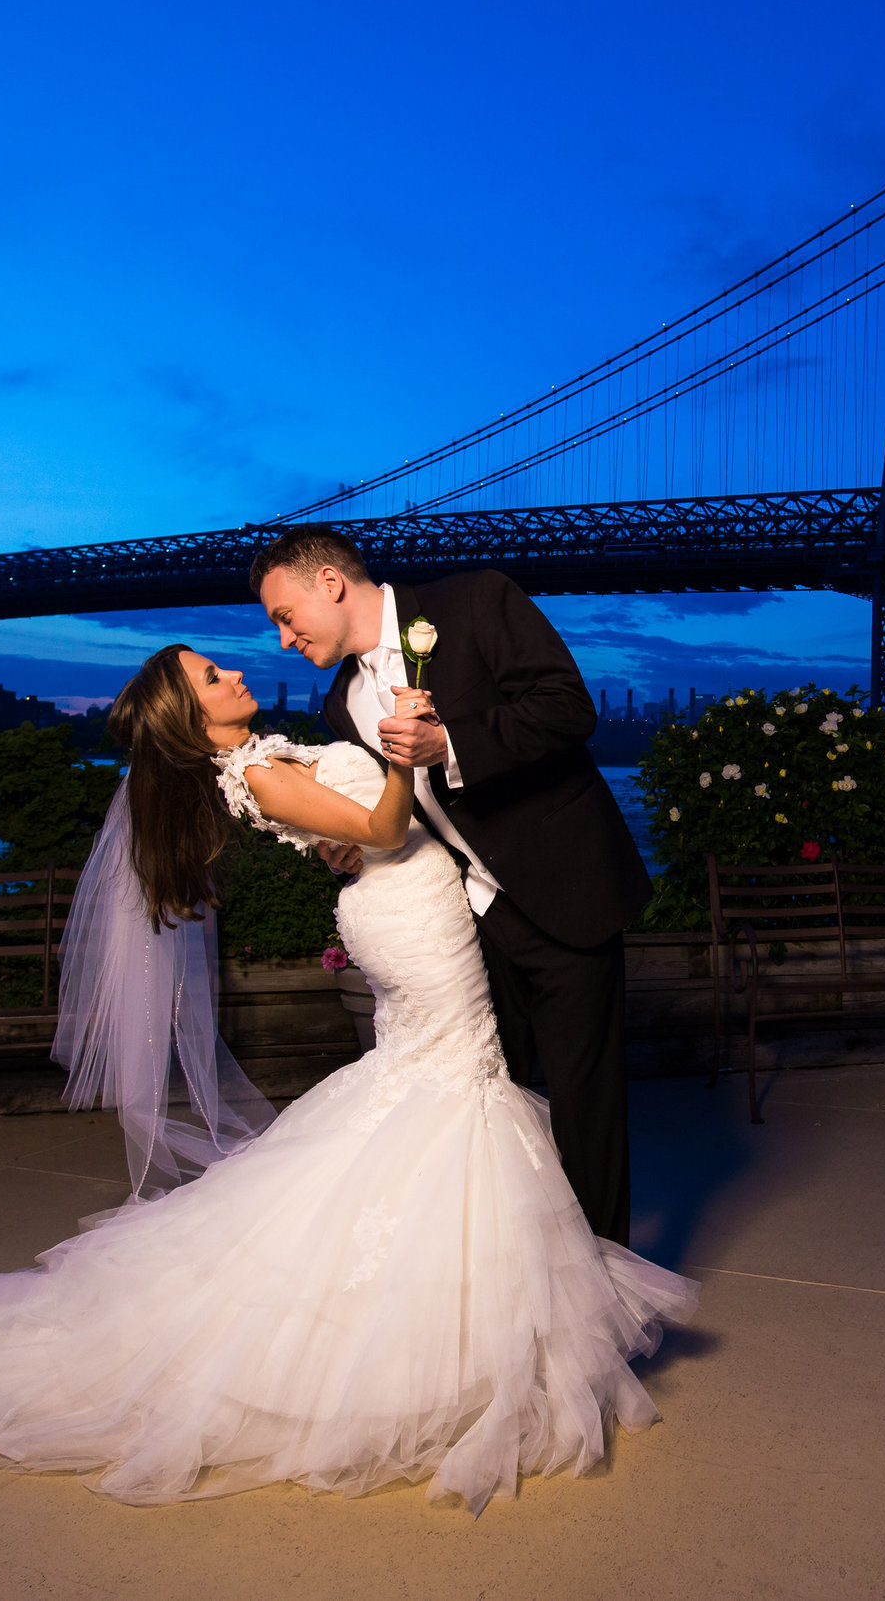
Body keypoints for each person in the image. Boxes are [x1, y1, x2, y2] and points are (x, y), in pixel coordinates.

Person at [0, 644, 697, 1513]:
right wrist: (406, 749)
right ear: (194, 720)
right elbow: (387, 831)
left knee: (441, 1083)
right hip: (409, 921)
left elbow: (355, 829)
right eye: (213, 678)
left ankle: (464, 1309)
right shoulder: (255, 774)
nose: (235, 673)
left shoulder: (268, 756)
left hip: (417, 905)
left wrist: (360, 816)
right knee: (455, 1083)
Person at [252, 526, 650, 1244]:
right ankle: (530, 1275)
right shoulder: (341, 704)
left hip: (564, 889)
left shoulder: (474, 600)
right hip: (471, 916)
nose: (282, 639)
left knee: (585, 1105)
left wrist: (453, 744)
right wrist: (354, 849)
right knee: (501, 1101)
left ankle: (606, 1290)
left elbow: (568, 708)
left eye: (285, 615)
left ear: (331, 584)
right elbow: (400, 816)